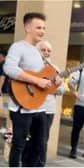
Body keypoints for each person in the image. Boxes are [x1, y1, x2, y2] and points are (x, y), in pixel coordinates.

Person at [3, 12, 62, 167]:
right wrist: (36, 80)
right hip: (21, 108)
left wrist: (55, 81)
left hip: (40, 108)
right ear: (27, 27)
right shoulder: (18, 47)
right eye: (38, 27)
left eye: (44, 28)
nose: (42, 31)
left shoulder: (38, 52)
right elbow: (9, 68)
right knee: (18, 145)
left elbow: (42, 78)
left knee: (38, 147)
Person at [21, 40, 65, 166]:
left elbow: (62, 90)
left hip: (47, 110)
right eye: (43, 49)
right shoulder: (28, 67)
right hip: (30, 108)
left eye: (48, 50)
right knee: (28, 140)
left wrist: (57, 85)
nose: (46, 52)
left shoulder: (55, 69)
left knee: (41, 142)